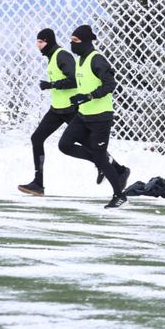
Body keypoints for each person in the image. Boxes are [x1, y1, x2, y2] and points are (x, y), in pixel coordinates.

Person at [57, 25, 131, 208]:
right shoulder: (81, 60)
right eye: (71, 40)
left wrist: (88, 96)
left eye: (75, 41)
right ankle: (103, 163)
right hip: (83, 115)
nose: (71, 44)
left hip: (100, 118)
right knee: (64, 145)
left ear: (86, 42)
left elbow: (110, 85)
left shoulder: (97, 60)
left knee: (100, 156)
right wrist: (78, 97)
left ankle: (120, 194)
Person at [18, 28, 77, 196]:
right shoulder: (52, 58)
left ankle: (116, 169)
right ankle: (38, 183)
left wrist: (51, 85)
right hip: (57, 109)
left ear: (49, 42)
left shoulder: (61, 55)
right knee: (37, 138)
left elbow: (74, 80)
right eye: (37, 42)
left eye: (41, 42)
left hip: (71, 109)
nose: (38, 46)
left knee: (88, 142)